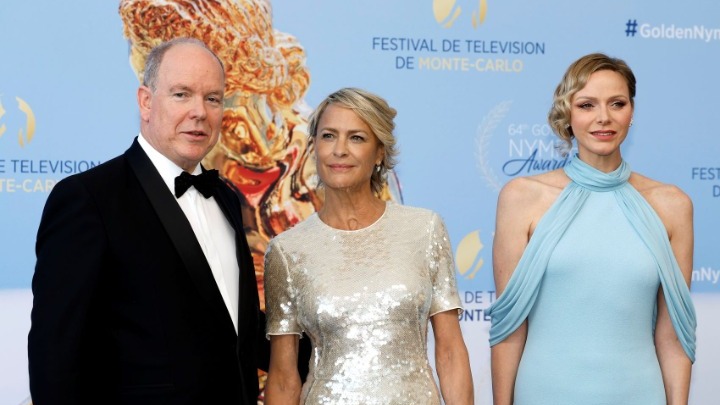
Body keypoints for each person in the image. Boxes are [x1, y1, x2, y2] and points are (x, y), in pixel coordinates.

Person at [28, 38, 267, 404]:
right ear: (145, 101)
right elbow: (55, 357)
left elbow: (237, 327)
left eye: (212, 98)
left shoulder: (227, 198)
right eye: (181, 94)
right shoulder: (89, 199)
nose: (199, 112)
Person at [488, 53, 697, 404]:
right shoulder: (522, 197)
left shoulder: (672, 205)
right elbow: (509, 331)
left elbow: (674, 337)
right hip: (544, 392)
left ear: (632, 112)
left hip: (639, 393)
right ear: (567, 114)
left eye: (617, 103)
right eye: (587, 105)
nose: (604, 117)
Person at [262, 88, 474, 404]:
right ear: (314, 147)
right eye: (329, 136)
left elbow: (451, 351)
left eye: (357, 138)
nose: (340, 150)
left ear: (379, 154)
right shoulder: (287, 250)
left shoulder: (424, 229)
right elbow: (282, 378)